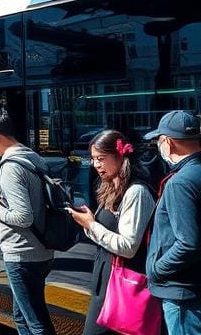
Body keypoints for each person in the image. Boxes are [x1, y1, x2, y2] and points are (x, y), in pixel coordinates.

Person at [0, 109, 56, 335]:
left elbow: (23, 216)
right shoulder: (32, 157)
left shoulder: (11, 166)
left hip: (22, 254)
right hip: (40, 250)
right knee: (21, 317)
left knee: (36, 322)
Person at [66, 130, 155, 335]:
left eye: (101, 159)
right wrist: (87, 222)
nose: (95, 164)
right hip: (106, 279)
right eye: (93, 159)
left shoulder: (136, 192)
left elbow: (128, 247)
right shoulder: (110, 186)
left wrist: (91, 225)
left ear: (120, 156)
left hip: (124, 280)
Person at [144, 110, 201, 335]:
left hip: (181, 291)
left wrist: (157, 269)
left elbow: (188, 243)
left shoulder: (180, 182)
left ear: (168, 142)